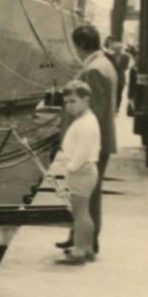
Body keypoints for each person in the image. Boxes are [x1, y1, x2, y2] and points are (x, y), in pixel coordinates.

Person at [56, 25, 116, 256]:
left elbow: (95, 111)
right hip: (99, 142)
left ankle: (87, 243)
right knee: (89, 197)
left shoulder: (93, 69)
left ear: (79, 46)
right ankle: (80, 239)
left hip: (91, 146)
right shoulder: (106, 64)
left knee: (86, 199)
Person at [50, 80, 102, 264]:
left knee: (79, 213)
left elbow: (82, 150)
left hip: (81, 170)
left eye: (73, 101)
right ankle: (87, 249)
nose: (69, 106)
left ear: (85, 99)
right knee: (83, 211)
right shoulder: (86, 119)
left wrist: (70, 168)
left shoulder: (86, 123)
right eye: (67, 102)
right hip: (85, 170)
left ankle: (79, 252)